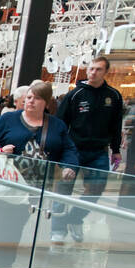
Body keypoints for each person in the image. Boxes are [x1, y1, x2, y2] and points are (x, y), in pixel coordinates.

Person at [0, 79, 79, 268]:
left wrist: (69, 166)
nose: (31, 101)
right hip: (8, 181)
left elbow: (68, 149)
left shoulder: (56, 125)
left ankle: (6, 264)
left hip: (35, 186)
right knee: (4, 222)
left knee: (18, 223)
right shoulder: (9, 119)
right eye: (29, 97)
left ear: (46, 103)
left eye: (37, 98)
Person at [53, 56, 123, 245]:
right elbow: (60, 122)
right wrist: (60, 147)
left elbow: (116, 125)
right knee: (63, 189)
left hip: (99, 151)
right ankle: (57, 228)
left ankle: (75, 218)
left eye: (98, 69)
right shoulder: (75, 94)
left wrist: (116, 149)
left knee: (96, 189)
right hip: (73, 149)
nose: (93, 72)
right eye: (91, 69)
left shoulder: (114, 96)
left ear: (105, 72)